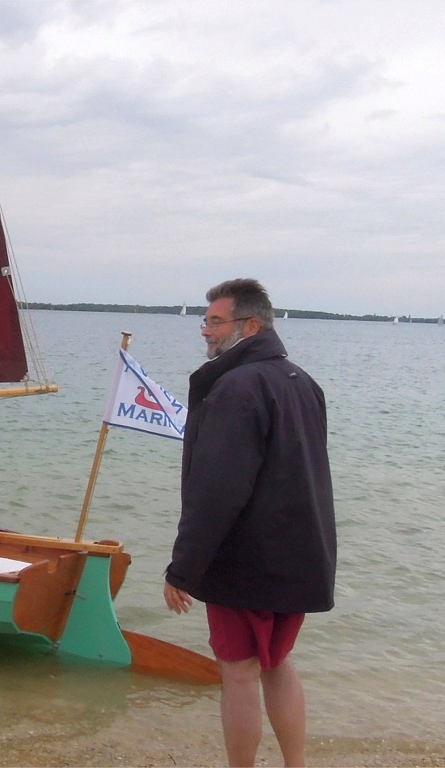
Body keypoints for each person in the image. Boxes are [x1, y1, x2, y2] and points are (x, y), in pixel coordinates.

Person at [163, 278, 336, 767]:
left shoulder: (236, 387)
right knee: (277, 665)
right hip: (300, 556)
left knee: (238, 672)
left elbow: (216, 491)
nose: (205, 332)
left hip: (249, 560)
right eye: (206, 321)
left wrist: (182, 570)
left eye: (215, 322)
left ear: (250, 326)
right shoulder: (303, 382)